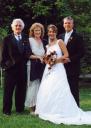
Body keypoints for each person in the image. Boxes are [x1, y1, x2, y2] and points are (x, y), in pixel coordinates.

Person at [35, 24, 91, 125]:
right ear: (48, 33)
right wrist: (46, 59)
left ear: (56, 32)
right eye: (50, 32)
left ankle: (61, 110)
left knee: (59, 89)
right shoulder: (47, 45)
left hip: (58, 69)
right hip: (48, 70)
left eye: (53, 31)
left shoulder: (59, 42)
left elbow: (66, 55)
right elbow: (46, 57)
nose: (51, 33)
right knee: (48, 88)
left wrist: (55, 60)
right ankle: (48, 109)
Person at [1, 18, 31, 115]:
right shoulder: (7, 39)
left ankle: (20, 108)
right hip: (10, 69)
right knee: (8, 91)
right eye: (16, 25)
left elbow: (28, 52)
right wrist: (5, 66)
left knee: (21, 89)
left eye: (20, 25)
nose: (18, 27)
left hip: (22, 68)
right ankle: (6, 110)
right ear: (12, 27)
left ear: (22, 27)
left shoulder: (26, 37)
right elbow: (2, 54)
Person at [58, 16, 84, 106]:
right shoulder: (60, 36)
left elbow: (81, 52)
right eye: (65, 23)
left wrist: (70, 59)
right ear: (63, 24)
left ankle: (76, 108)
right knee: (63, 89)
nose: (67, 25)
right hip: (61, 68)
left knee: (73, 89)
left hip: (73, 67)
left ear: (72, 24)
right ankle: (65, 107)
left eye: (69, 23)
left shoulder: (78, 37)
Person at [25, 23, 47, 114]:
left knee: (40, 86)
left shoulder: (44, 41)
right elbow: (27, 55)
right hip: (32, 65)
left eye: (39, 30)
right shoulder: (29, 40)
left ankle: (38, 107)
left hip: (42, 66)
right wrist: (39, 57)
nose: (38, 32)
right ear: (32, 31)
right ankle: (31, 108)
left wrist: (46, 57)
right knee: (32, 86)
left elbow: (46, 53)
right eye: (36, 30)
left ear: (41, 31)